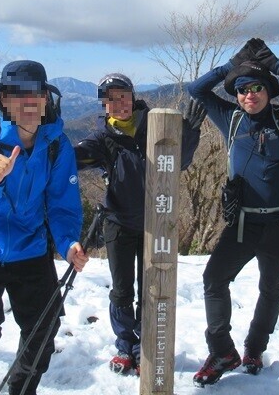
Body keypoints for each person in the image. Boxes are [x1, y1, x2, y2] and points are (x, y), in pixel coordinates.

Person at [187, 38, 279, 386]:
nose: (249, 94)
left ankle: (254, 348)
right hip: (242, 223)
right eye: (242, 89)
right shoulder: (229, 118)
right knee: (214, 280)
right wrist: (231, 66)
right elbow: (197, 89)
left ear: (269, 91)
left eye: (257, 88)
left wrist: (275, 64)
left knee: (271, 289)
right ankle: (222, 350)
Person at [0, 60, 89, 395]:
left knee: (43, 329)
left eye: (34, 94)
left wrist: (68, 243)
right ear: (5, 101)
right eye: (17, 95)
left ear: (45, 100)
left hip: (32, 247)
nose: (27, 103)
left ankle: (23, 390)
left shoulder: (56, 144)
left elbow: (62, 203)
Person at [74, 73, 205, 375]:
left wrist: (190, 133)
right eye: (110, 98)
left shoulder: (155, 124)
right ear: (103, 104)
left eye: (123, 96)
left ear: (133, 97)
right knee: (121, 290)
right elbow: (72, 159)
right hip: (118, 223)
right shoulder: (102, 138)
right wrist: (49, 141)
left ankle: (145, 347)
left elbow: (179, 163)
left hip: (155, 223)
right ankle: (125, 346)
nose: (118, 103)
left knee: (151, 288)